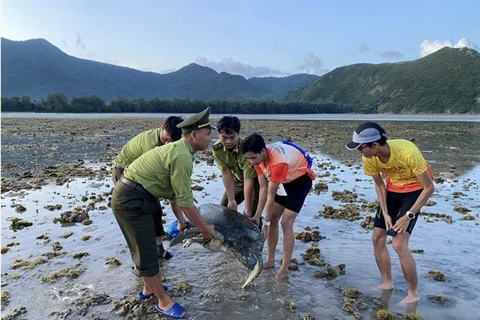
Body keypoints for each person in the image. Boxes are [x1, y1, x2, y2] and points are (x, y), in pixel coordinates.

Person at [111, 107, 217, 318]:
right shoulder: (182, 155)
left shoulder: (181, 151)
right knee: (146, 250)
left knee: (148, 245)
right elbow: (186, 203)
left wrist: (184, 214)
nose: (210, 138)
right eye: (207, 133)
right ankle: (163, 302)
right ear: (194, 134)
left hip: (140, 195)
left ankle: (148, 288)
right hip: (131, 199)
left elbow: (178, 195)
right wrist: (204, 229)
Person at [346, 122, 435, 304]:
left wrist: (407, 216)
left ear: (375, 145)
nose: (359, 152)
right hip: (393, 189)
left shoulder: (407, 151)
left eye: (360, 148)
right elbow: (379, 184)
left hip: (415, 190)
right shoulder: (368, 158)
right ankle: (387, 283)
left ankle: (413, 293)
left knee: (398, 244)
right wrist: (385, 213)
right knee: (377, 238)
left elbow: (429, 187)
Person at [240, 133, 315, 281]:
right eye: (247, 158)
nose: (251, 161)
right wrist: (257, 215)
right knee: (274, 216)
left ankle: (284, 268)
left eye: (253, 157)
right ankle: (270, 259)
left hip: (300, 182)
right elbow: (262, 187)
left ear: (263, 151)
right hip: (284, 182)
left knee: (286, 222)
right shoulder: (256, 160)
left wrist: (265, 223)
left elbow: (271, 193)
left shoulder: (278, 162)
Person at [112, 116, 185, 259]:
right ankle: (141, 255)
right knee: (140, 212)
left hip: (139, 176)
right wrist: (176, 192)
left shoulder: (169, 145)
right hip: (124, 174)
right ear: (161, 127)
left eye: (171, 142)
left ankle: (158, 248)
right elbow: (151, 173)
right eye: (165, 140)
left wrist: (181, 190)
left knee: (155, 210)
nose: (167, 144)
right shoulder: (150, 144)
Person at [212, 116, 261, 226]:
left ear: (238, 134)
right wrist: (231, 200)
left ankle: (257, 238)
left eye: (232, 137)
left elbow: (249, 179)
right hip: (237, 180)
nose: (228, 141)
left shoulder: (246, 149)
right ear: (218, 134)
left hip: (254, 181)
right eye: (224, 137)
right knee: (224, 210)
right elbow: (226, 173)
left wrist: (247, 208)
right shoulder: (217, 149)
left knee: (251, 215)